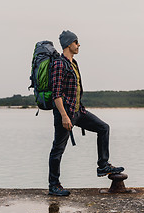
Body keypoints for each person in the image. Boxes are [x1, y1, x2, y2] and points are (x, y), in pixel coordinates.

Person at [48, 30, 125, 196]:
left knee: (103, 128)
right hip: (65, 114)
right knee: (58, 149)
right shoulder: (59, 64)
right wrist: (64, 116)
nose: (78, 45)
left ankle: (103, 165)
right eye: (76, 42)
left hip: (78, 111)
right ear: (68, 44)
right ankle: (54, 185)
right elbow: (56, 94)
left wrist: (77, 110)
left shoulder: (73, 63)